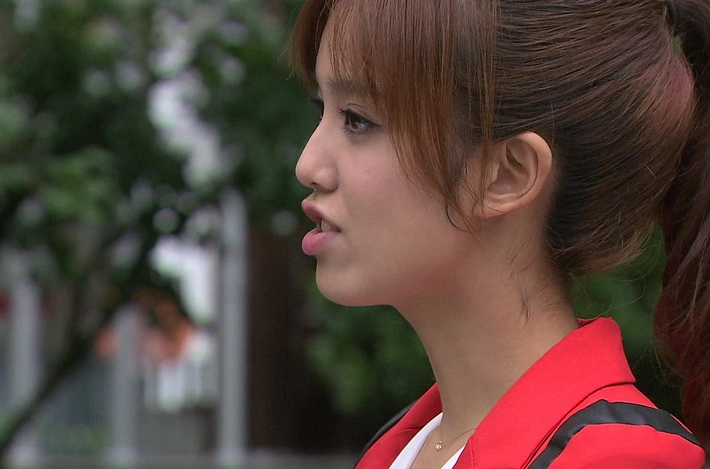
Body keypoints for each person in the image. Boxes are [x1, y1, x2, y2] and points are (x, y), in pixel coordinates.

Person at [290, 0, 710, 467]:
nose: (308, 164)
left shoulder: (616, 459)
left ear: (507, 175)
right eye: (321, 108)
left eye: (357, 119)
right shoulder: (403, 449)